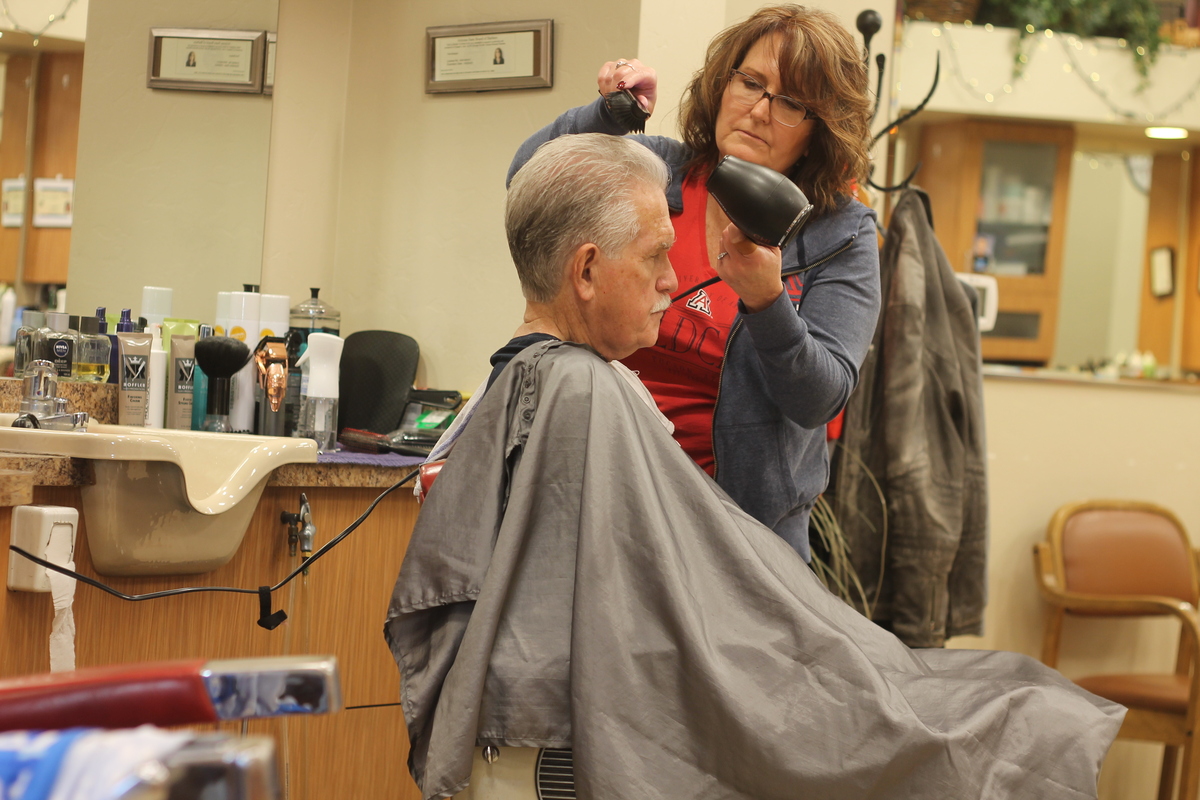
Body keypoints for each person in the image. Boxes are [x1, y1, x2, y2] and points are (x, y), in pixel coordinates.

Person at [385, 133, 1123, 800]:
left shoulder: (533, 381)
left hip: (544, 726)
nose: (673, 281)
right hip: (550, 749)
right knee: (983, 715)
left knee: (943, 698)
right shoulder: (578, 391)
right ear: (585, 271)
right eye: (655, 256)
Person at [507, 5, 881, 563]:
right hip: (603, 508)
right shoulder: (657, 172)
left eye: (790, 103)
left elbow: (819, 399)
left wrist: (767, 301)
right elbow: (529, 179)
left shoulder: (840, 232)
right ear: (723, 82)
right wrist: (607, 115)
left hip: (743, 541)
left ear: (818, 130)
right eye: (750, 82)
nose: (759, 110)